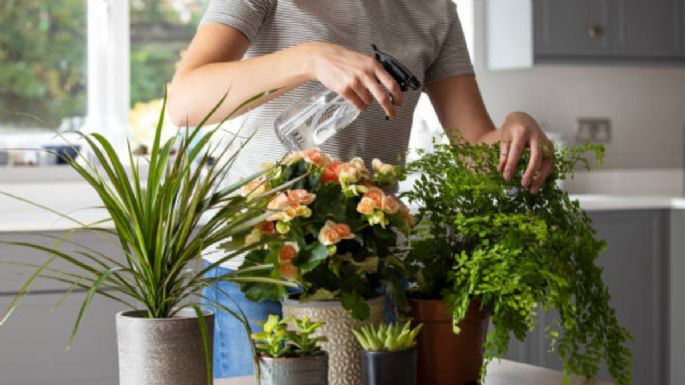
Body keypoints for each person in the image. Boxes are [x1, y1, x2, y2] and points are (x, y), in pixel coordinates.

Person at [169, 0, 555, 378]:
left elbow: (476, 152)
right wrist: (309, 58)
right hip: (260, 268)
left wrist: (516, 129)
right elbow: (185, 101)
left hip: (366, 269)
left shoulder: (434, 9)